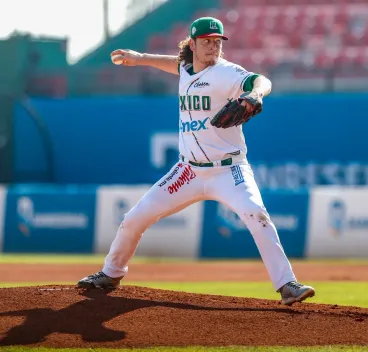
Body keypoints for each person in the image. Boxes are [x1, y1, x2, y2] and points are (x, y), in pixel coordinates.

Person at [78, 16, 315, 306]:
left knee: (257, 215)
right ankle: (110, 273)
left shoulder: (226, 73)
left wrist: (254, 94)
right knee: (133, 219)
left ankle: (287, 284)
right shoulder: (187, 68)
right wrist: (139, 58)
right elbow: (174, 64)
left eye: (217, 42)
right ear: (193, 44)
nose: (213, 46)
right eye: (206, 41)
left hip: (230, 171)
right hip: (188, 172)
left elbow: (260, 80)